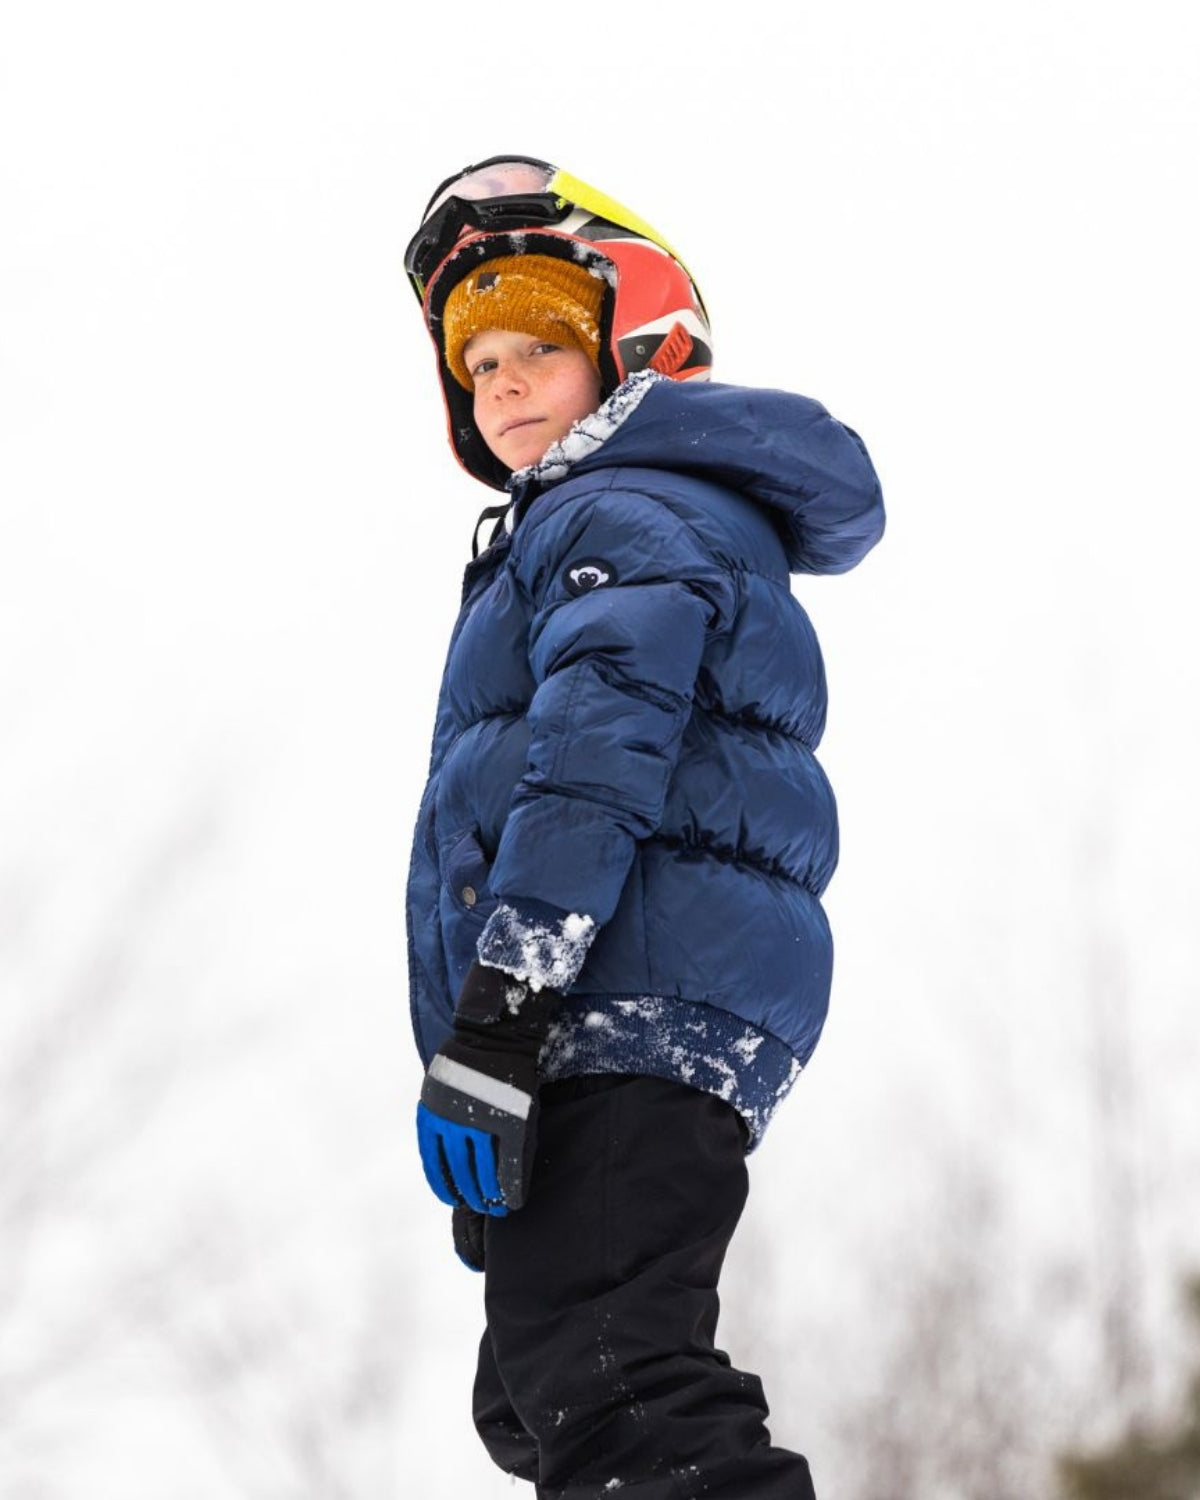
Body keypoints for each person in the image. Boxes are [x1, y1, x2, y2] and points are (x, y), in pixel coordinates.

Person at [403, 155, 885, 1500]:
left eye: (536, 351)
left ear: (632, 343)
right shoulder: (593, 523)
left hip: (617, 987)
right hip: (623, 1001)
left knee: (614, 1384)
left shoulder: (627, 513)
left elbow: (594, 762)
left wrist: (504, 1009)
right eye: (478, 361)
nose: (499, 385)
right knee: (540, 1398)